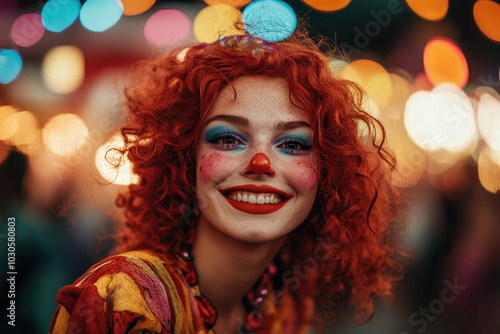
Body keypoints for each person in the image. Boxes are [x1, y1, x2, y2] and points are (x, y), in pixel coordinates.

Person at [50, 33, 406, 334]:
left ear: (327, 173)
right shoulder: (122, 299)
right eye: (228, 139)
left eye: (293, 144)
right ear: (184, 161)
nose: (261, 164)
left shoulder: (284, 308)